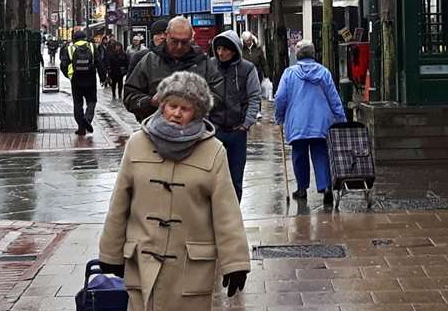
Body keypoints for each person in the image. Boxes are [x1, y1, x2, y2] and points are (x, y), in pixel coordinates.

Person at [98, 71, 250, 311]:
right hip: (144, 260)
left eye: (185, 108)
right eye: (171, 105)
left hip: (190, 264)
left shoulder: (213, 150)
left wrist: (235, 262)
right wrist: (110, 254)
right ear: (161, 105)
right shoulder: (137, 144)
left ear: (197, 112)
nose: (176, 113)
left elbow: (226, 210)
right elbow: (120, 203)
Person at [274, 41, 347, 208]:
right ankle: (325, 186)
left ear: (297, 55)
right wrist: (341, 118)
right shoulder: (324, 72)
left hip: (297, 123)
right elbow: (334, 98)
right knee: (321, 153)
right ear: (313, 54)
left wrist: (279, 117)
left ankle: (302, 188)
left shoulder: (289, 73)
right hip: (321, 122)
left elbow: (279, 97)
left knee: (299, 156)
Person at [124, 16, 223, 121]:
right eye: (174, 41)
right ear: (167, 36)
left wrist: (196, 103)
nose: (179, 47)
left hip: (194, 130)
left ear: (191, 39)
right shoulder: (149, 61)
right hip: (155, 129)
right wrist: (151, 102)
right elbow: (129, 95)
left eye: (184, 42)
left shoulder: (203, 62)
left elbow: (218, 95)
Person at [208, 30, 264, 200]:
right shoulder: (209, 66)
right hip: (214, 130)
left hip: (237, 131)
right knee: (212, 178)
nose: (221, 53)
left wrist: (246, 123)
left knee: (235, 178)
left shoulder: (247, 69)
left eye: (225, 49)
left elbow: (254, 96)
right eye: (218, 49)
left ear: (234, 50)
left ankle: (233, 217)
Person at [62, 27, 99, 135]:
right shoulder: (92, 46)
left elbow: (64, 65)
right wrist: (102, 76)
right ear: (84, 37)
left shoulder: (70, 48)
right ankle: (87, 118)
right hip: (90, 78)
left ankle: (81, 128)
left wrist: (69, 76)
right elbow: (98, 61)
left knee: (78, 104)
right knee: (92, 101)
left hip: (76, 80)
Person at [101, 37, 130, 102]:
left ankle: (119, 94)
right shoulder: (111, 54)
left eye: (119, 46)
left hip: (121, 71)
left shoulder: (124, 54)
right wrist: (108, 68)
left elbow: (127, 62)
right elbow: (108, 61)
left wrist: (126, 69)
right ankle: (114, 94)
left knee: (120, 83)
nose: (117, 47)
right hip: (113, 71)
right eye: (116, 46)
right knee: (113, 83)